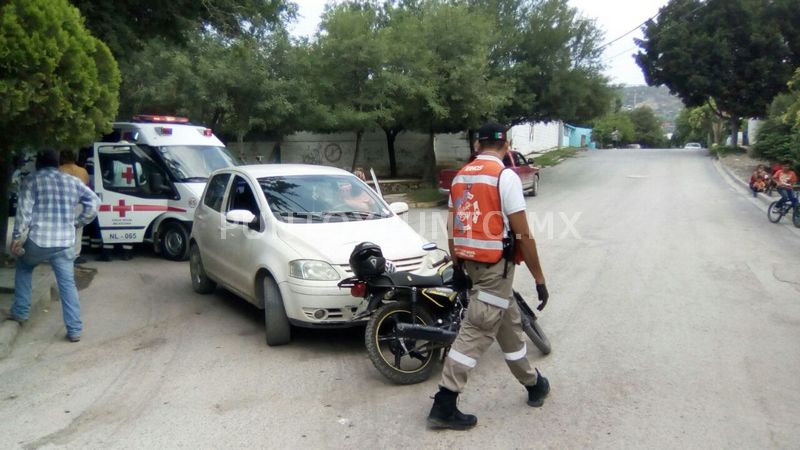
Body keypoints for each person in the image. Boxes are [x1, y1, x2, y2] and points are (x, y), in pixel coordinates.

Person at [427, 122, 550, 430]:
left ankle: (533, 384)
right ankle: (444, 403)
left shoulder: (461, 177)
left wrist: (458, 267)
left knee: (509, 327)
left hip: (473, 268)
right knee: (476, 332)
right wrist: (539, 278)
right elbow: (523, 234)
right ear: (506, 145)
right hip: (496, 271)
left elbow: (452, 228)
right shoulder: (504, 176)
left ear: (478, 145)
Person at [7, 150, 99, 342]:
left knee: (24, 267)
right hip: (64, 243)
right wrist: (78, 222)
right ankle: (74, 330)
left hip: (38, 241)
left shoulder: (32, 180)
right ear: (57, 164)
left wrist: (17, 238)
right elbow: (95, 202)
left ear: (39, 163)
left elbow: (23, 212)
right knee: (67, 285)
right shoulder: (71, 181)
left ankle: (21, 312)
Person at [59, 150, 90, 264]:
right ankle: (75, 255)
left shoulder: (58, 170)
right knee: (77, 230)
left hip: (61, 205)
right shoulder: (82, 171)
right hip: (77, 204)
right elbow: (86, 187)